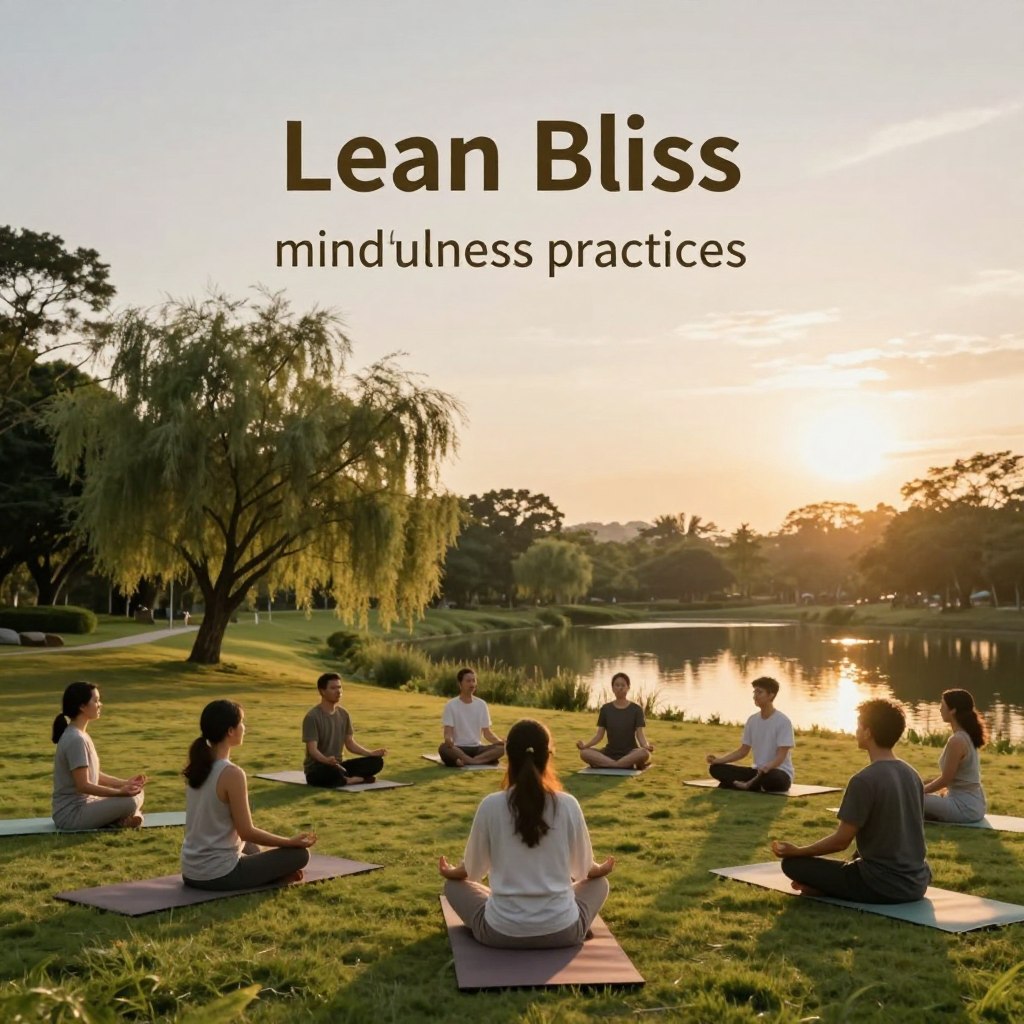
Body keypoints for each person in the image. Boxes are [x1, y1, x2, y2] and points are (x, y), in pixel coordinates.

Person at [439, 718, 615, 948]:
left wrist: (451, 873)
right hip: (563, 931)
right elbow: (583, 871)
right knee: (600, 884)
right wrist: (600, 869)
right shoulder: (568, 804)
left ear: (508, 757)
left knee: (452, 887)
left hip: (501, 933)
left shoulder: (491, 805)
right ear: (548, 756)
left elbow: (472, 872)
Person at [771, 698, 931, 903]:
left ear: (868, 732)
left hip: (883, 885)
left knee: (793, 865)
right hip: (917, 883)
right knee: (851, 860)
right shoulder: (912, 774)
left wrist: (798, 851)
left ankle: (824, 888)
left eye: (858, 726)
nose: (856, 731)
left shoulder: (864, 780)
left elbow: (841, 841)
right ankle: (824, 887)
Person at [182, 700, 316, 891]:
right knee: (300, 855)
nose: (244, 728)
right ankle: (274, 875)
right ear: (230, 731)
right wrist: (289, 842)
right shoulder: (231, 773)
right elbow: (246, 831)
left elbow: (241, 834)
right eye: (241, 723)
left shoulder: (197, 767)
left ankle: (271, 873)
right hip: (219, 874)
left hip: (191, 872)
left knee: (250, 846)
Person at [51, 681, 146, 831]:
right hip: (71, 815)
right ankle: (123, 818)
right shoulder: (76, 739)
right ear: (82, 706)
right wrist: (120, 792)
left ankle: (121, 819)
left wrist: (125, 783)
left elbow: (94, 775)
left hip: (88, 805)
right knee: (130, 801)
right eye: (95, 700)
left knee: (136, 793)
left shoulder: (81, 735)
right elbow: (83, 785)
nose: (100, 704)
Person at [705, 676, 794, 792]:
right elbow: (743, 751)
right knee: (715, 769)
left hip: (778, 773)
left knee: (772, 777)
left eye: (759, 692)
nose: (755, 696)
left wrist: (768, 767)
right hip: (757, 772)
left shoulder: (783, 721)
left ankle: (742, 784)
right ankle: (751, 784)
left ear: (771, 695)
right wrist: (719, 760)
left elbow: (781, 757)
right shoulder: (752, 720)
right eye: (754, 692)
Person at [303, 673, 387, 786]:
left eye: (339, 687)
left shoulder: (343, 714)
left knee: (376, 762)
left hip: (339, 766)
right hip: (319, 768)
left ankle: (346, 779)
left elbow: (350, 743)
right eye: (333, 688)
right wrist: (326, 760)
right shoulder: (312, 717)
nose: (338, 691)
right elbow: (312, 750)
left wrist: (371, 753)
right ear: (322, 691)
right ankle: (351, 780)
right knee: (329, 773)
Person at [922, 688, 987, 823]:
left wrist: (918, 792)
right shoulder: (965, 736)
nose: (940, 709)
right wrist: (919, 784)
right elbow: (950, 778)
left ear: (953, 710)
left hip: (964, 807)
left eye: (942, 705)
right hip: (973, 805)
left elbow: (945, 780)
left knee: (908, 799)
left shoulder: (957, 741)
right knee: (913, 795)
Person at [576, 672, 654, 769]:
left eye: (623, 685)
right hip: (609, 753)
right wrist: (585, 746)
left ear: (628, 687)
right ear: (612, 688)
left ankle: (610, 764)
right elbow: (599, 735)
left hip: (630, 753)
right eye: (617, 685)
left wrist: (646, 746)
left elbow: (640, 735)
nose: (620, 688)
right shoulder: (606, 709)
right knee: (584, 753)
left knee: (644, 753)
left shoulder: (636, 709)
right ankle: (620, 765)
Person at [438, 668, 505, 766]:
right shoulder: (451, 705)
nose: (472, 684)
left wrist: (500, 742)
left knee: (502, 748)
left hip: (477, 748)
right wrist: (449, 740)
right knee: (443, 748)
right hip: (458, 748)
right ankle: (479, 760)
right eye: (468, 681)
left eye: (474, 680)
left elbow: (487, 733)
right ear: (460, 684)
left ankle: (467, 761)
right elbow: (448, 733)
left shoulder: (482, 704)